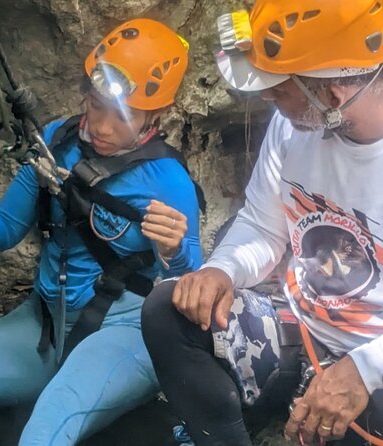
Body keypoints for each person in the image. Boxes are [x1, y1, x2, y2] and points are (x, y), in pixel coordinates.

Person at [0, 18, 203, 446]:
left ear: (158, 112)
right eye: (96, 104)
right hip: (43, 325)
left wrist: (175, 253)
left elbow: (189, 291)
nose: (102, 126)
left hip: (126, 332)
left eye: (123, 115)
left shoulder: (168, 181)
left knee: (43, 435)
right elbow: (3, 229)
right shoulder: (57, 140)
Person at [141, 1, 383, 445]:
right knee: (167, 310)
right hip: (305, 329)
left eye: (278, 87)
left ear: (332, 94)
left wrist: (366, 369)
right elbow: (263, 223)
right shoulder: (294, 126)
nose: (267, 96)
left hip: (376, 361)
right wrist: (222, 269)